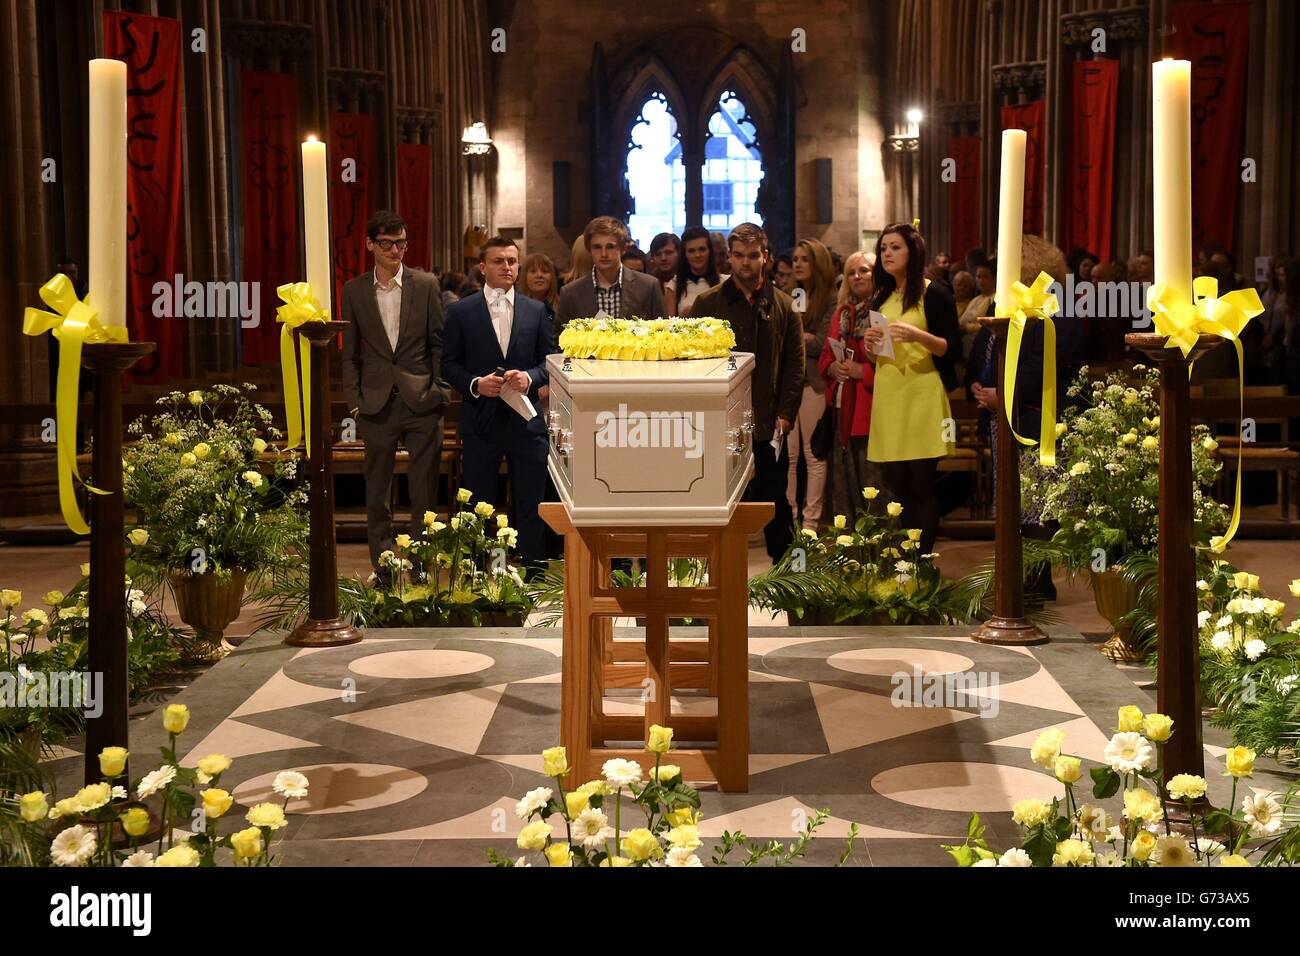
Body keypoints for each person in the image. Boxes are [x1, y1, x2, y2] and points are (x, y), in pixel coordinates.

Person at [341, 210, 451, 584]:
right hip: (375, 403)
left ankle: (419, 569)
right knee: (378, 495)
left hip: (422, 400)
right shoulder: (354, 290)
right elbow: (350, 353)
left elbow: (439, 344)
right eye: (387, 243)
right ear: (370, 244)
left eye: (401, 243)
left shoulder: (425, 284)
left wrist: (440, 391)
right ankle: (384, 570)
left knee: (423, 495)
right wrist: (355, 401)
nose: (395, 250)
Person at [692, 223, 803, 563]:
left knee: (776, 502)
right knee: (718, 502)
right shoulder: (707, 303)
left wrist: (786, 414)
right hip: (720, 425)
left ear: (765, 257)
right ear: (728, 258)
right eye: (738, 256)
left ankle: (789, 576)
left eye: (753, 256)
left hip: (769, 423)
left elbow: (794, 364)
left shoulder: (783, 305)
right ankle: (714, 575)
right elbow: (693, 361)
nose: (745, 263)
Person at [442, 236, 557, 568]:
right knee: (481, 502)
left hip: (526, 419)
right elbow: (448, 364)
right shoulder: (461, 311)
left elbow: (549, 361)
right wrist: (477, 384)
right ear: (482, 267)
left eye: (511, 261)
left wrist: (530, 378)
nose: (506, 267)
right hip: (482, 420)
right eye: (498, 261)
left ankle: (534, 569)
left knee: (530, 500)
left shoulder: (537, 310)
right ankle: (489, 569)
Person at [860, 222, 960, 554]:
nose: (887, 253)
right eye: (884, 248)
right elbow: (876, 356)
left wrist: (919, 336)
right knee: (897, 484)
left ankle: (921, 560)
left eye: (895, 247)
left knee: (921, 484)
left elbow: (953, 348)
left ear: (912, 251)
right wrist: (870, 344)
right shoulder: (881, 296)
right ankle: (908, 554)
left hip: (922, 393)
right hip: (890, 394)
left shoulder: (935, 293)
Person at [819, 251, 876, 524]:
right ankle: (850, 551)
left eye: (864, 270)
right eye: (852, 272)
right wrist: (833, 368)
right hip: (842, 408)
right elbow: (825, 357)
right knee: (844, 486)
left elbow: (893, 366)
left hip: (871, 409)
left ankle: (880, 553)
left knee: (873, 487)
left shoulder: (882, 312)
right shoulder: (842, 313)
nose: (857, 276)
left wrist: (861, 371)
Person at [785, 237, 837, 530]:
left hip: (815, 383)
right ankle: (790, 519)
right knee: (789, 457)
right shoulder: (792, 294)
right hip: (791, 382)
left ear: (817, 263)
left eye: (805, 259)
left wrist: (800, 337)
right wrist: (801, 337)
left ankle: (811, 523)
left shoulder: (830, 297)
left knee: (813, 454)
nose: (798, 264)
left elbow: (822, 341)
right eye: (795, 259)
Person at [555, 216, 667, 328]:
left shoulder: (648, 286)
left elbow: (663, 333)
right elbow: (559, 339)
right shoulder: (571, 293)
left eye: (610, 247)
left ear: (623, 249)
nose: (604, 254)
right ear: (590, 250)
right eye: (597, 247)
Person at [665, 225, 723, 316]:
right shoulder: (674, 286)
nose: (697, 255)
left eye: (702, 249)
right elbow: (668, 326)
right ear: (685, 254)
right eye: (691, 251)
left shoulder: (724, 281)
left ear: (710, 251)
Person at [958, 260, 996, 359]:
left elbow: (990, 326)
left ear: (994, 278)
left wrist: (967, 328)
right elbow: (962, 320)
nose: (981, 280)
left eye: (985, 277)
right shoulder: (976, 299)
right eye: (978, 277)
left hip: (982, 348)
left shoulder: (995, 299)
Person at [519, 252, 559, 327]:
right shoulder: (515, 307)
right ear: (524, 276)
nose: (539, 275)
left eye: (545, 271)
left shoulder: (562, 306)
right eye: (533, 271)